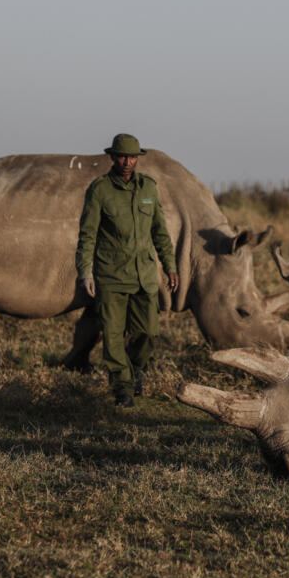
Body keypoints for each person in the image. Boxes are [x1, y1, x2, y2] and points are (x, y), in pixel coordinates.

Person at [76, 133, 179, 407]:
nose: (127, 161)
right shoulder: (99, 190)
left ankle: (135, 371)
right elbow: (87, 234)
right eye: (122, 156)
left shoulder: (149, 188)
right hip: (111, 278)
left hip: (144, 277)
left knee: (148, 334)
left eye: (132, 157)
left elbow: (160, 232)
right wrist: (85, 272)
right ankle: (122, 387)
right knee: (112, 336)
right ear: (112, 157)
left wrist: (170, 266)